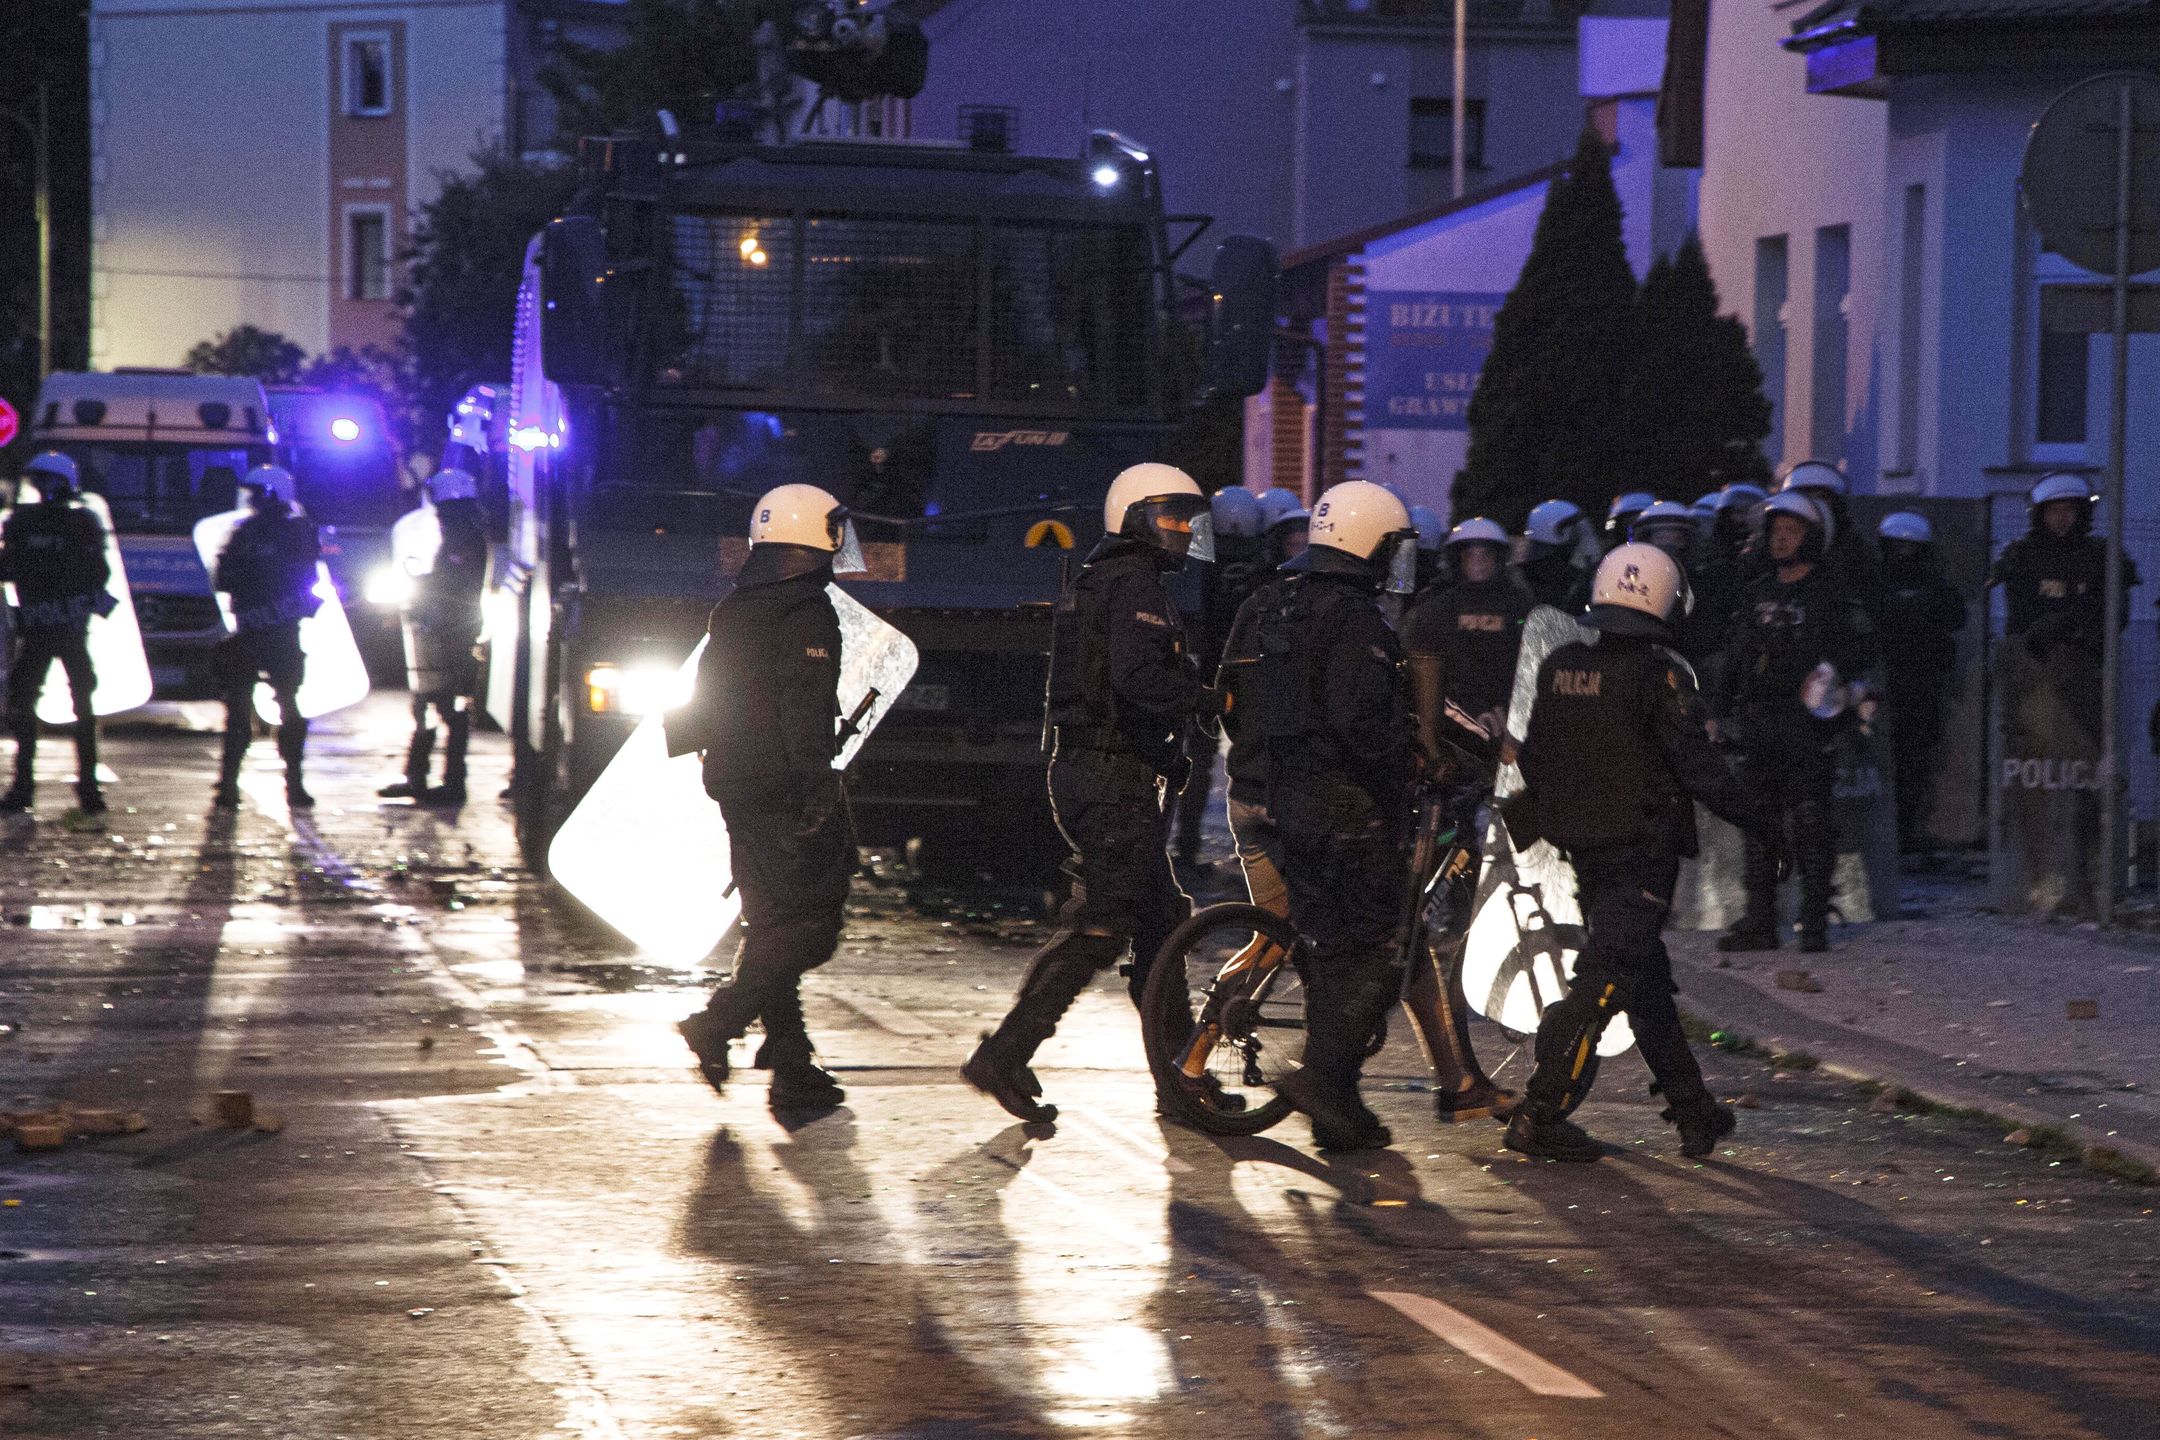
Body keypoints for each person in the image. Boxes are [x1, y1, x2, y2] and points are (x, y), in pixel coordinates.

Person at [1500, 542, 1772, 1162]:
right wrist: (1763, 822)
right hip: (1641, 854)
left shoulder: (1562, 663)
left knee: (1642, 980)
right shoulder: (1662, 673)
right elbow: (1699, 768)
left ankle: (1695, 1111)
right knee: (1601, 983)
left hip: (1584, 852)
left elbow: (1534, 757)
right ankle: (1541, 1114)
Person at [964, 463, 1213, 1125]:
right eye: (1171, 516)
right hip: (1108, 779)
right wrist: (1208, 699)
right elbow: (1137, 682)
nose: (1185, 530)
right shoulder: (1133, 584)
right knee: (1103, 924)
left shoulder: (1103, 581)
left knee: (1162, 923)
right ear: (1134, 517)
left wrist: (1163, 751)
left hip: (1101, 771)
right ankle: (1006, 1054)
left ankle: (1180, 1076)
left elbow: (1106, 687)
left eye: (1189, 519)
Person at [674, 483, 862, 1113]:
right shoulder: (806, 610)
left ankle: (789, 1060)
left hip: (734, 780)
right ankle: (718, 1022)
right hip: (780, 785)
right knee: (811, 926)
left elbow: (708, 699)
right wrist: (817, 796)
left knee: (773, 919)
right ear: (813, 536)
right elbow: (802, 715)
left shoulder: (735, 607)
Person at [1248, 480, 1420, 1150]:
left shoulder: (1287, 602)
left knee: (1328, 952)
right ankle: (1321, 1078)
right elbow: (1359, 718)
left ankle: (1337, 1111)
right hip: (1346, 803)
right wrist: (1407, 759)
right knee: (1382, 950)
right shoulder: (1354, 616)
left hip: (1292, 797)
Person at [1714, 491, 1874, 953]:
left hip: (1807, 726)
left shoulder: (1831, 592)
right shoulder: (1758, 590)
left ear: (1812, 538)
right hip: (1760, 721)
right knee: (1760, 823)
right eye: (1775, 532)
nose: (1781, 540)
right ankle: (1761, 921)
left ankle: (1813, 919)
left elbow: (1857, 652)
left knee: (1811, 822)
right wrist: (1722, 711)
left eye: (1791, 532)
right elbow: (1737, 652)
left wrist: (1836, 685)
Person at [0, 452, 112, 817]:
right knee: (23, 701)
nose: (42, 489)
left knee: (83, 705)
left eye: (48, 482)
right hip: (39, 624)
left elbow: (97, 573)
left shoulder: (80, 522)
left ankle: (88, 788)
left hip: (66, 624)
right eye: (39, 482)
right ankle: (23, 787)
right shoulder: (25, 521)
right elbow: (9, 566)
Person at [212, 465, 321, 810]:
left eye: (257, 494)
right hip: (271, 631)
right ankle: (280, 786)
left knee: (271, 710)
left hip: (268, 630)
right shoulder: (285, 532)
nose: (252, 500)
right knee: (268, 709)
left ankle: (241, 785)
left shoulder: (257, 533)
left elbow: (225, 577)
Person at [380, 469, 489, 805]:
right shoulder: (459, 535)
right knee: (426, 704)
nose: (439, 516)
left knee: (450, 709)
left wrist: (423, 582)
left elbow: (453, 582)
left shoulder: (465, 538)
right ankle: (418, 777)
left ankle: (452, 783)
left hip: (454, 634)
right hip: (441, 631)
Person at [1172, 486, 1266, 868]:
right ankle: (1260, 848)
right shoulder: (1262, 565)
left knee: (1196, 761)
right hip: (1251, 673)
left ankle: (1187, 846)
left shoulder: (1200, 567)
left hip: (1208, 672)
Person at [1875, 512, 1967, 853]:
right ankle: (1891, 831)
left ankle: (1907, 830)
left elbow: (1955, 617)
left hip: (1920, 687)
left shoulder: (1933, 586)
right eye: (1897, 547)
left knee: (1915, 763)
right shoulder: (1877, 584)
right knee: (1887, 763)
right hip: (1884, 686)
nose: (1903, 555)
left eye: (1910, 548)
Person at [1400, 517, 1533, 739]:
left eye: (1485, 555)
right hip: (1451, 718)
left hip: (1508, 715)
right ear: (1457, 559)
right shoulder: (1437, 606)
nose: (1478, 562)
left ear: (1498, 558)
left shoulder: (1519, 604)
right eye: (1470, 554)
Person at [1992, 471, 2135, 661]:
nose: (2061, 518)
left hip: (2084, 662)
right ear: (2040, 514)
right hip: (2029, 662)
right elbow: (1986, 589)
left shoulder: (2101, 555)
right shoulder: (2021, 554)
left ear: (2081, 513)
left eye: (2069, 510)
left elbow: (2116, 614)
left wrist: (2074, 627)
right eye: (2053, 511)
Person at [1516, 499, 1593, 612]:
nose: (1578, 536)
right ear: (1557, 532)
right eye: (1573, 530)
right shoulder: (1568, 577)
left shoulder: (1521, 574)